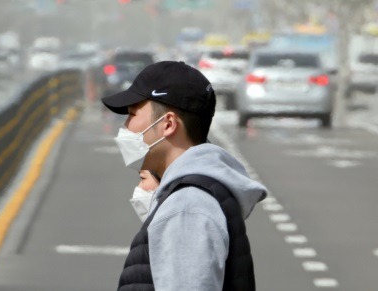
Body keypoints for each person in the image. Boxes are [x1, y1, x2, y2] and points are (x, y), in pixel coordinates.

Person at [101, 61, 267, 290]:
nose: (126, 125)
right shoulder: (191, 198)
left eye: (132, 114)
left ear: (168, 124)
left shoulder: (187, 207)